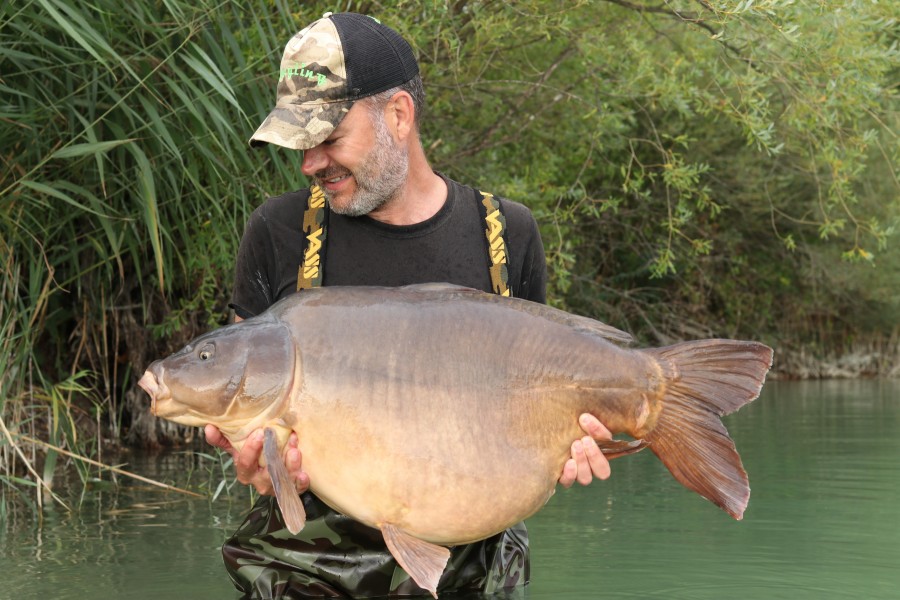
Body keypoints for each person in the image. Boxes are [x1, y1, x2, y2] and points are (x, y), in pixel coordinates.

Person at [204, 12, 613, 599]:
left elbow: (543, 402)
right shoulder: (278, 231)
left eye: (328, 139)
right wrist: (254, 465)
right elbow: (241, 398)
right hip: (305, 577)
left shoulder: (507, 235)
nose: (310, 163)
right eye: (301, 144)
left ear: (398, 115)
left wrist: (576, 444)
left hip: (474, 572)